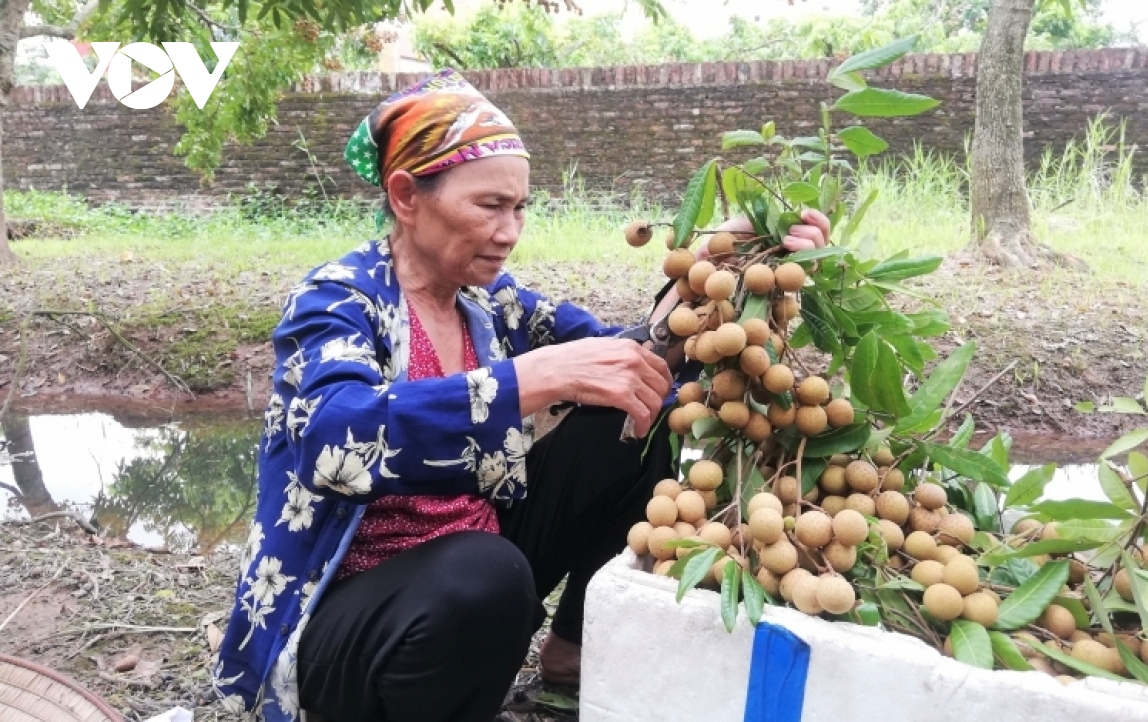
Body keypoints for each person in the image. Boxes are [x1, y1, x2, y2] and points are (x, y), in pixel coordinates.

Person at [211, 68, 830, 722]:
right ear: (406, 196)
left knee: (636, 409)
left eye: (519, 208)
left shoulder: (489, 302)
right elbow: (335, 440)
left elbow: (633, 356)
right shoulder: (337, 301)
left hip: (480, 566)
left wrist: (730, 263)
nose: (510, 230)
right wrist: (533, 379)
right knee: (487, 575)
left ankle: (570, 652)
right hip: (353, 619)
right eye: (489, 206)